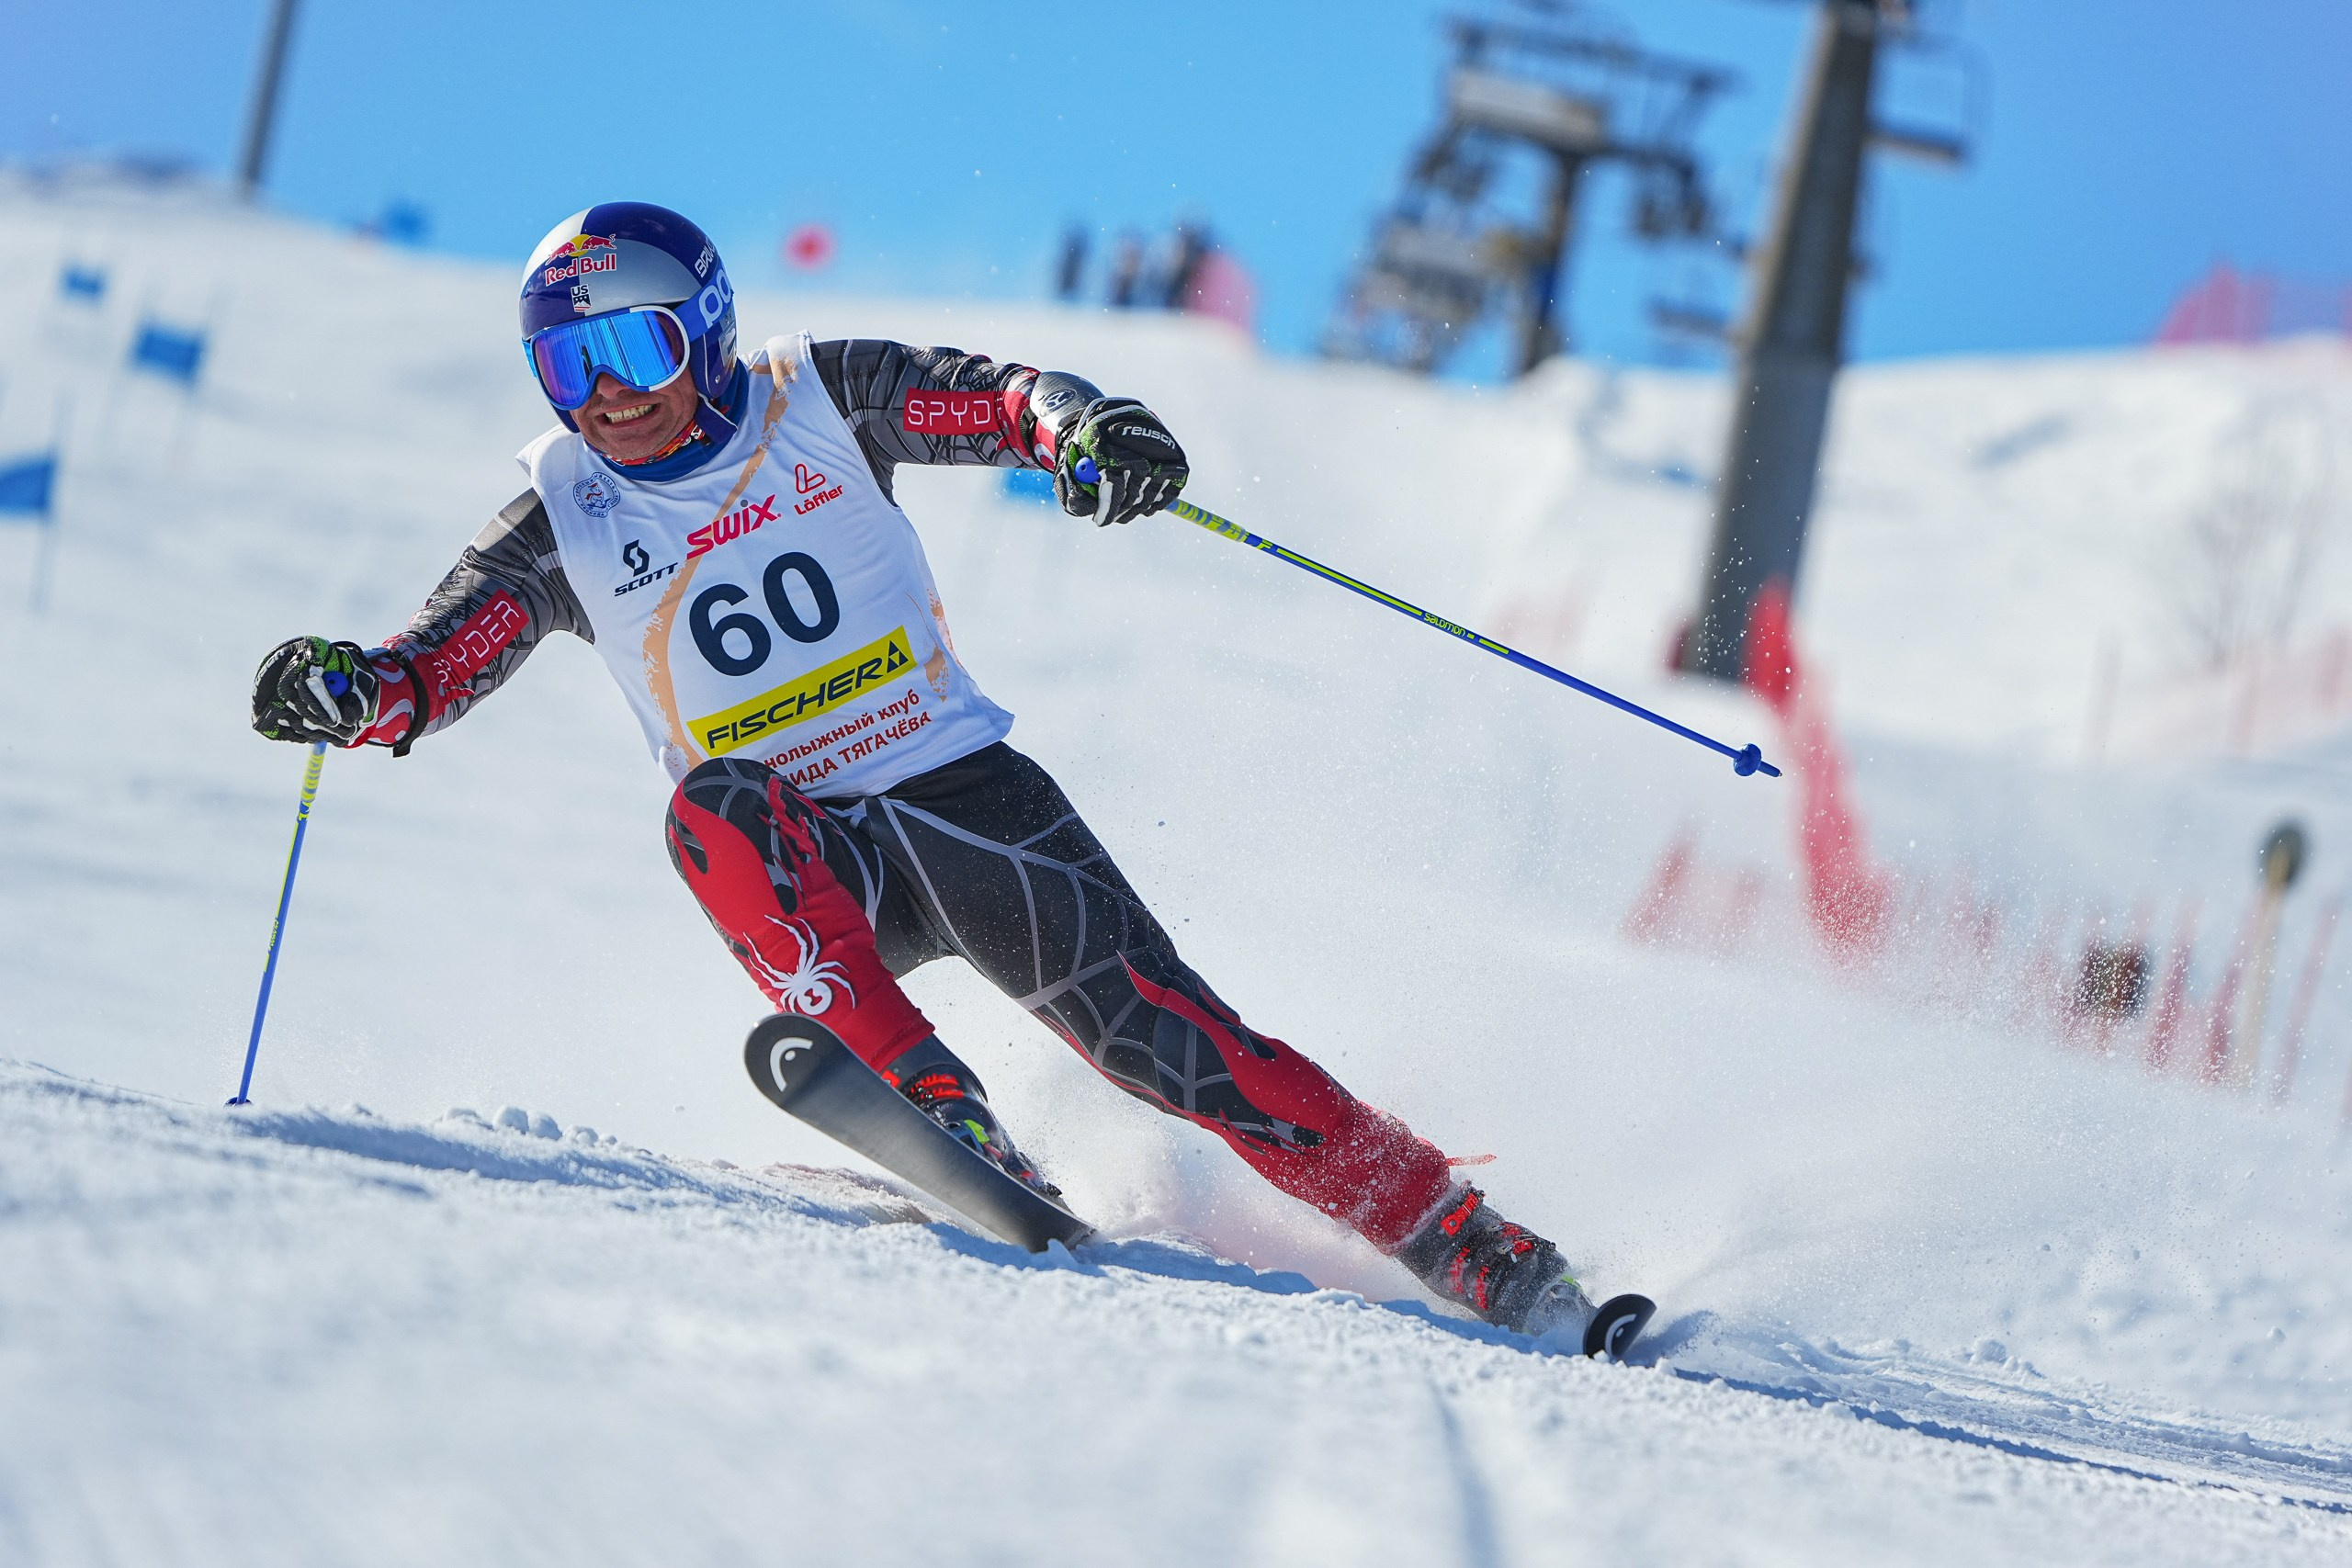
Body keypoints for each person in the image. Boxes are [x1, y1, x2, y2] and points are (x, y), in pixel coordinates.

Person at [250, 202, 1597, 1338]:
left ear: (703, 329)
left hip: (969, 811)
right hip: (806, 852)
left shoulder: (819, 393)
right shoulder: (567, 514)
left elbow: (1007, 402)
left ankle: (1476, 1246)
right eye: (567, 364)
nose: (606, 391)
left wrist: (1084, 432)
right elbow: (436, 657)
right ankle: (934, 1101)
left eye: (632, 345)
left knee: (1192, 1054)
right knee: (709, 811)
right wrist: (355, 694)